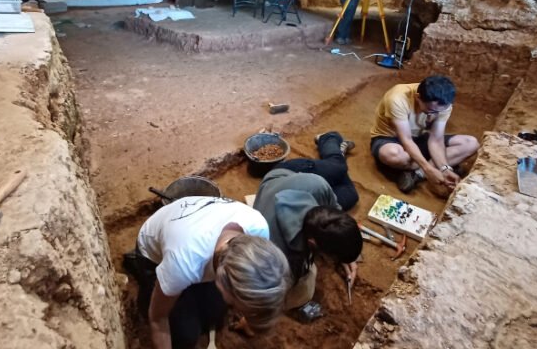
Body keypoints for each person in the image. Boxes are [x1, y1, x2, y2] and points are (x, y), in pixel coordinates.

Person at [128, 196, 290, 349]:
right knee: (186, 337)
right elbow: (158, 319)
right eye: (234, 303)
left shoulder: (258, 231)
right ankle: (141, 276)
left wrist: (252, 319)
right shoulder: (183, 262)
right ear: (220, 280)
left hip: (193, 233)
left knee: (216, 317)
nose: (236, 310)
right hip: (152, 253)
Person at [253, 168, 362, 310]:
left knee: (350, 194)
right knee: (303, 290)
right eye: (331, 258)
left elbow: (337, 212)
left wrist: (346, 250)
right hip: (269, 188)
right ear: (312, 243)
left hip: (282, 178)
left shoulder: (319, 186)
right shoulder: (279, 257)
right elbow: (267, 297)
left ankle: (337, 162)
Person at [369, 75, 480, 194]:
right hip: (391, 138)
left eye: (439, 111)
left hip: (419, 137)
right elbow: (406, 139)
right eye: (431, 110)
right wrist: (429, 169)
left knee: (471, 143)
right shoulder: (397, 98)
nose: (435, 114)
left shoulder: (443, 104)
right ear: (418, 97)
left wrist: (444, 168)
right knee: (393, 154)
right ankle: (428, 167)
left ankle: (417, 174)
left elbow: (436, 140)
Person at [273, 131, 359, 210]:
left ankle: (329, 138)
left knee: (338, 167)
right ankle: (339, 156)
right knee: (350, 194)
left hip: (285, 175)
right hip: (300, 197)